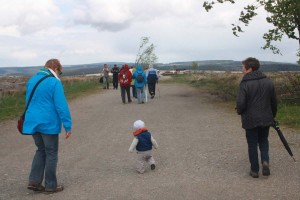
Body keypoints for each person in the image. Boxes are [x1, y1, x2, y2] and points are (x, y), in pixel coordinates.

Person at [23, 59, 72, 193]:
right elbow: (61, 106)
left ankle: (34, 181)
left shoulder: (32, 80)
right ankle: (50, 185)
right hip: (48, 122)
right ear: (55, 68)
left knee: (40, 150)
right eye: (60, 72)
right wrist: (67, 125)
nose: (59, 74)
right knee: (51, 153)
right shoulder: (54, 82)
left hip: (32, 122)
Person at [236, 57, 277, 178]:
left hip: (251, 118)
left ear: (249, 68)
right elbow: (273, 102)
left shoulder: (245, 83)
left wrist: (239, 111)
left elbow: (241, 103)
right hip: (266, 117)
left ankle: (254, 170)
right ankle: (265, 161)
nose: (242, 70)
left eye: (243, 67)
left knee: (252, 143)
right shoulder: (268, 82)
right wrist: (272, 116)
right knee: (264, 141)